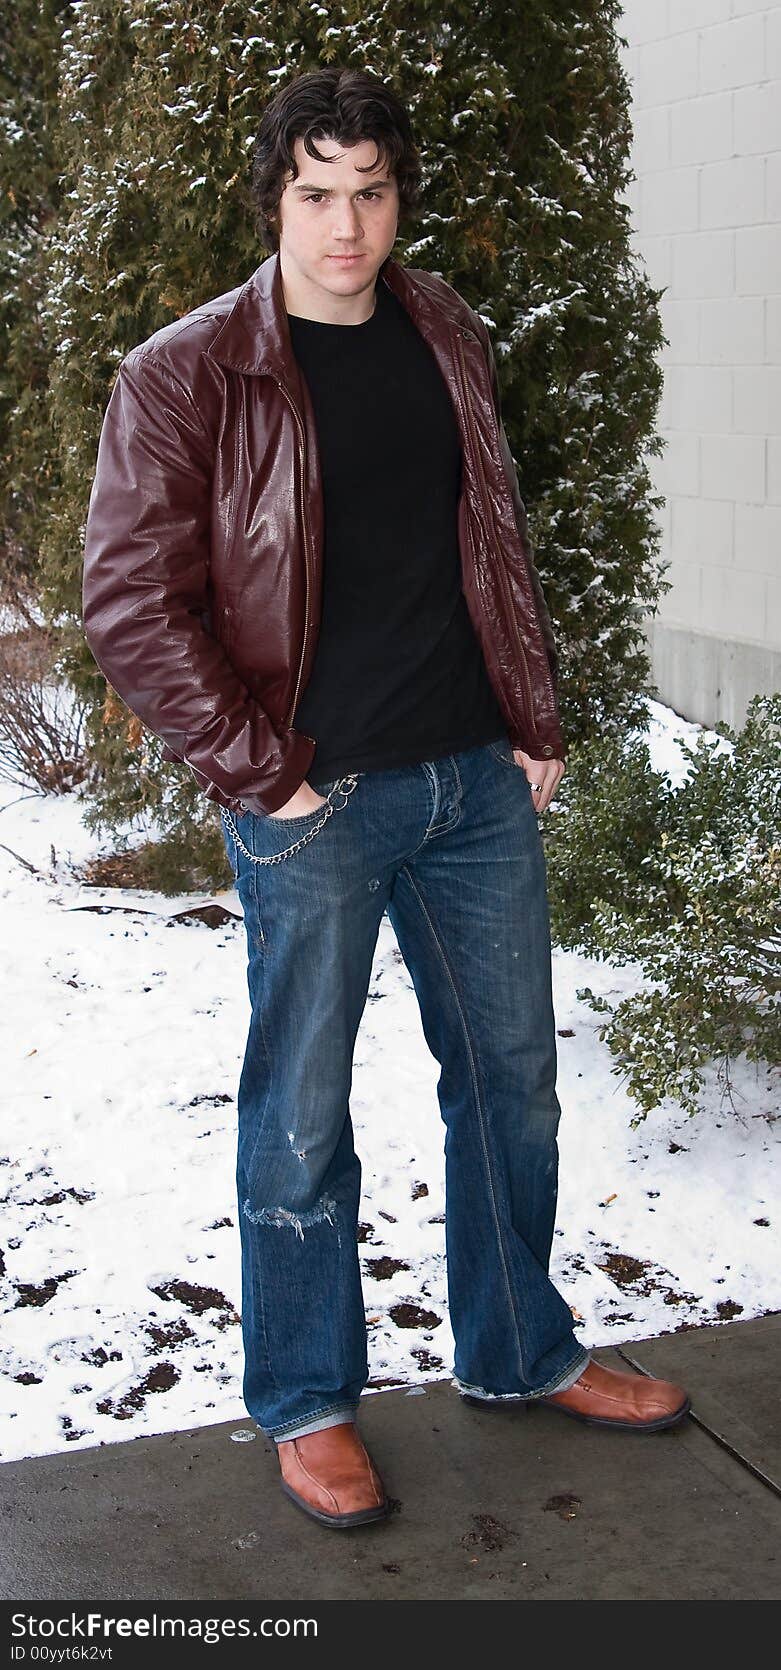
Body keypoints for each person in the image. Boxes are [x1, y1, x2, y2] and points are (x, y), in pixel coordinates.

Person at [82, 66, 689, 1532]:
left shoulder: (442, 330)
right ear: (272, 200)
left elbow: (491, 533)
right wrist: (261, 775)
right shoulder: (185, 372)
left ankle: (516, 1346)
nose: (343, 224)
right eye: (314, 193)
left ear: (395, 197)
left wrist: (527, 717)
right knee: (299, 1113)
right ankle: (306, 1398)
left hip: (471, 781)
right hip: (315, 796)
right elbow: (129, 601)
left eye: (368, 191)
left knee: (512, 1088)